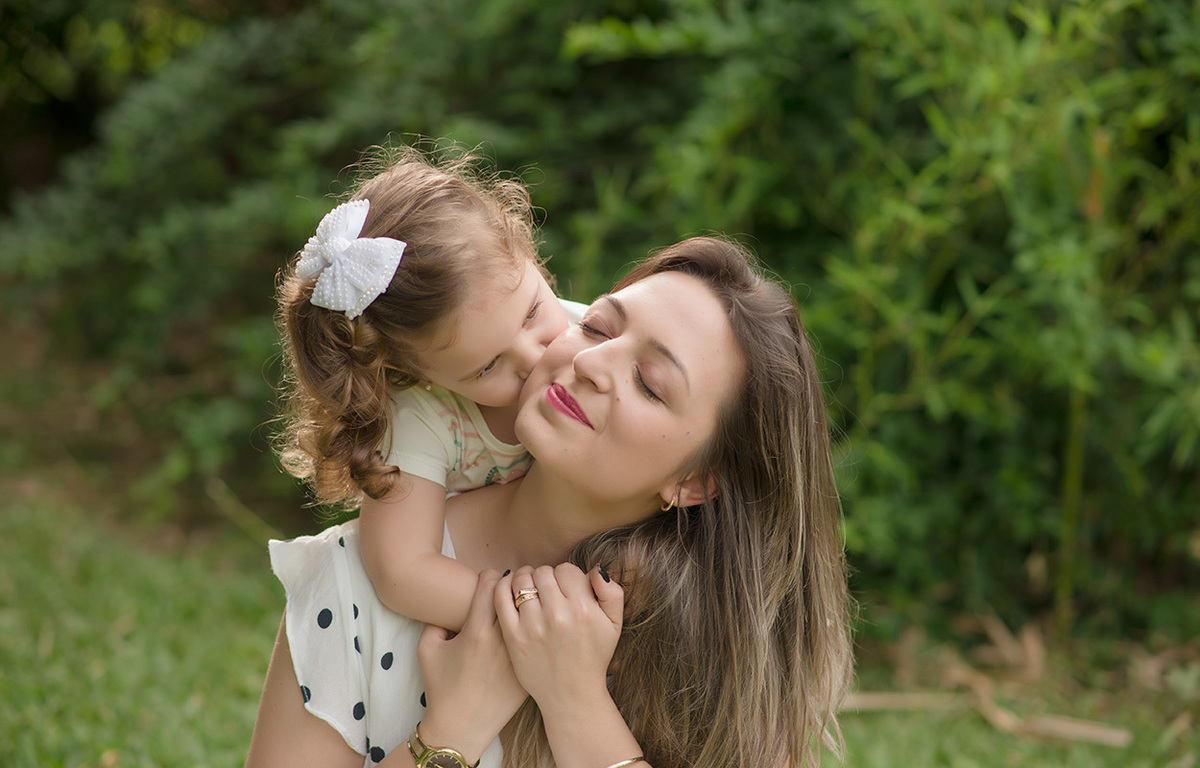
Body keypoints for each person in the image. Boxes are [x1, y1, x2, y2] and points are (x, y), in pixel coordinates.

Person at [248, 237, 853, 768]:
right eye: (596, 327)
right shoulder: (353, 584)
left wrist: (576, 701)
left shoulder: (723, 646)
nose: (590, 363)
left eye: (649, 384)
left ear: (696, 483)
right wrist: (449, 734)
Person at [275, 145, 585, 633]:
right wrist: (535, 622)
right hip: (473, 612)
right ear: (419, 375)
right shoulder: (424, 417)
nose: (535, 357)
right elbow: (402, 572)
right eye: (487, 368)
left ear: (527, 251)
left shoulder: (595, 339)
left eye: (531, 313)